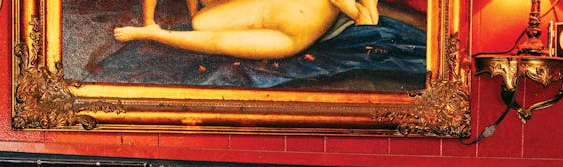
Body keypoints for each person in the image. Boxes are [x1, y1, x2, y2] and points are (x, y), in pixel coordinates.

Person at [114, 0, 379, 60]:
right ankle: (154, 29)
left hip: (289, 36)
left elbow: (367, 20)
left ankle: (156, 34)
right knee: (201, 23)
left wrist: (368, 6)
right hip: (266, 8)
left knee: (219, 42)